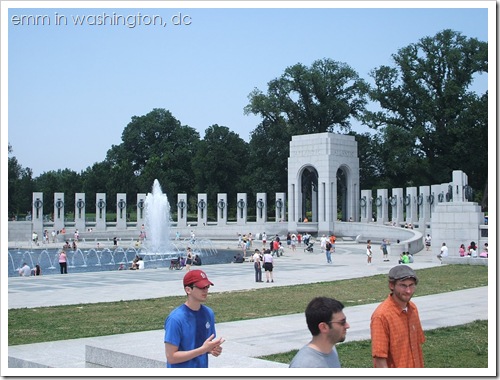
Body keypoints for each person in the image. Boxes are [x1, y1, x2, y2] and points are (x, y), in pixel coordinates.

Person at [164, 269, 224, 368]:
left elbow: (202, 346)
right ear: (188, 290)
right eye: (201, 287)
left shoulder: (208, 313)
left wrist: (211, 349)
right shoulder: (175, 319)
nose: (205, 290)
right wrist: (203, 350)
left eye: (207, 286)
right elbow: (171, 357)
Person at [370, 265, 425, 368]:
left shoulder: (413, 309)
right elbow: (379, 359)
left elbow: (417, 346)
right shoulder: (381, 316)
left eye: (411, 285)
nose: (408, 291)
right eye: (403, 286)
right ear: (391, 285)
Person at [289, 297, 350, 368]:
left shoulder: (331, 350)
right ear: (323, 327)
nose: (347, 326)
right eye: (342, 322)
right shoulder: (303, 365)